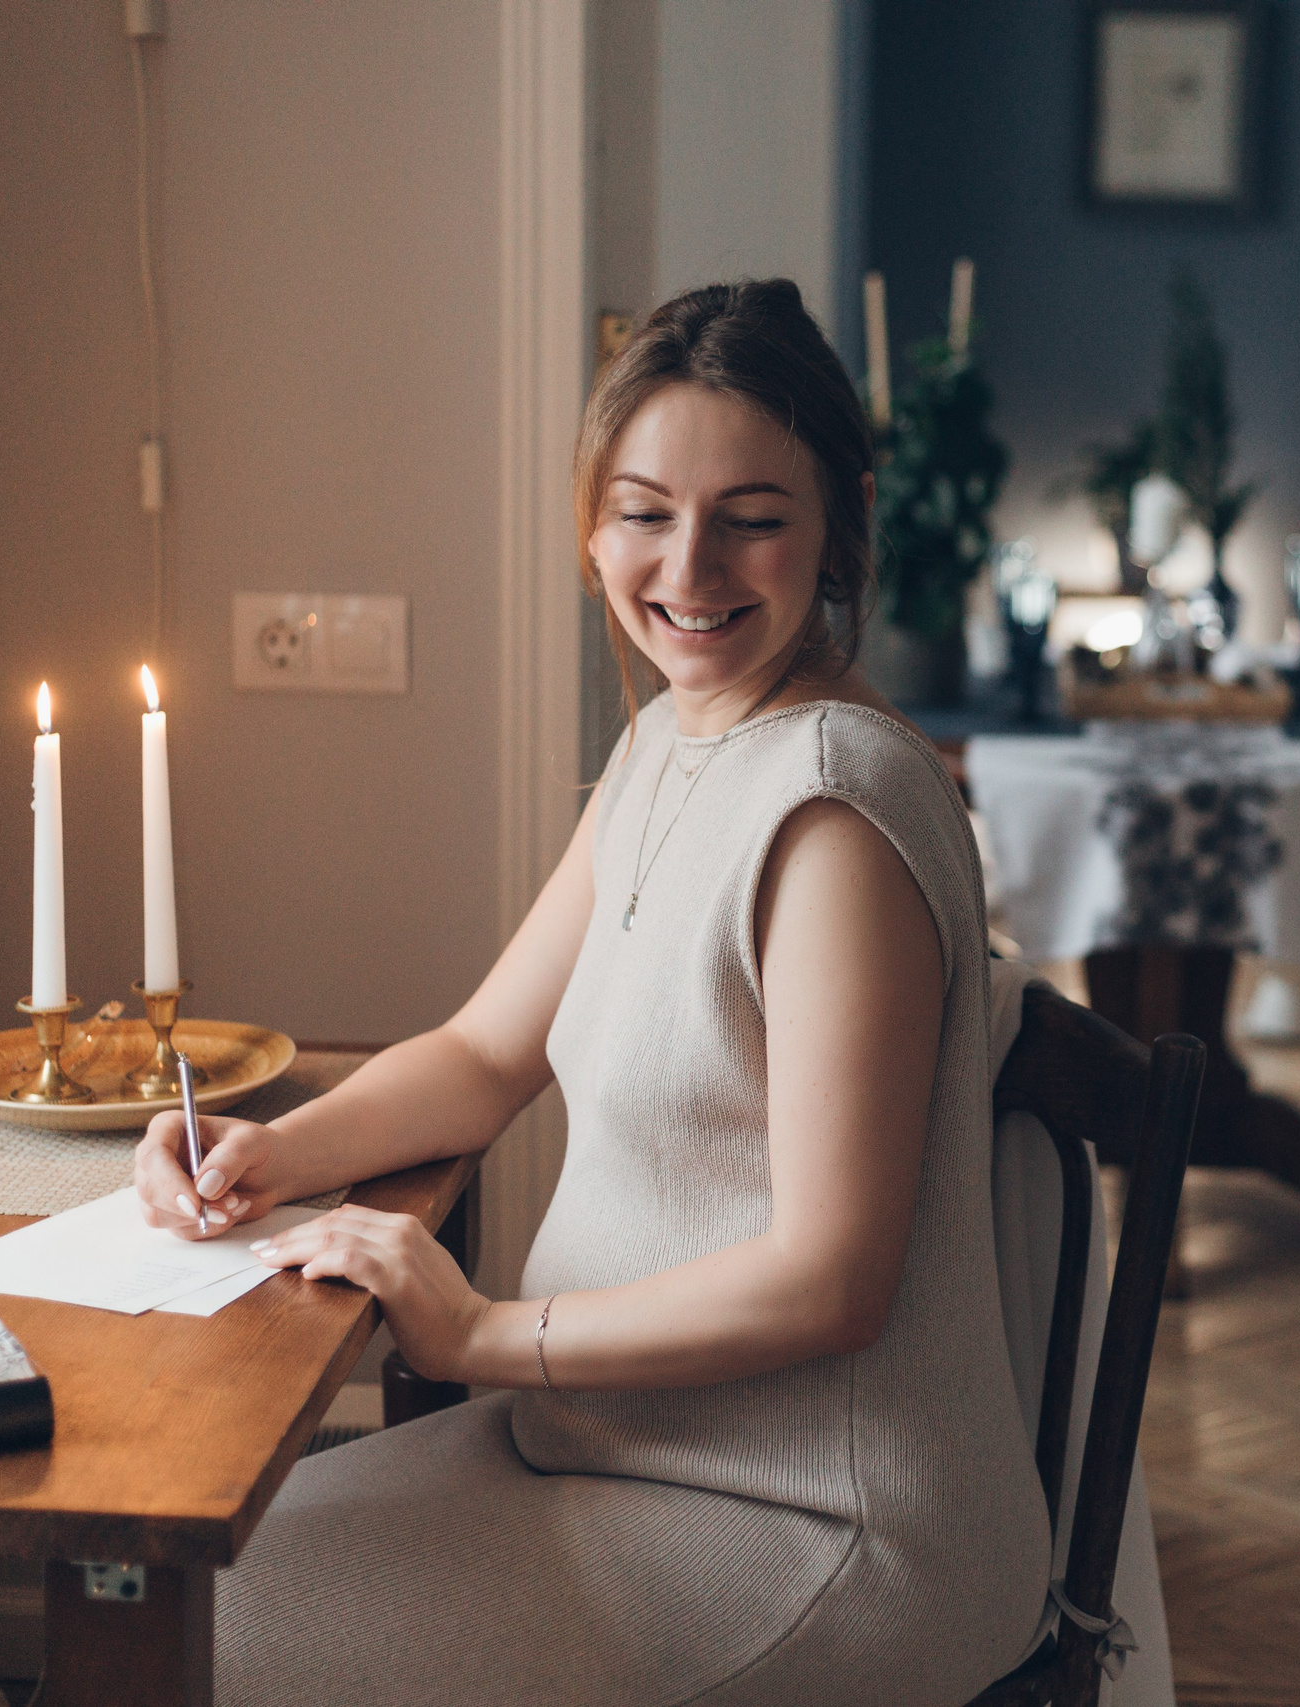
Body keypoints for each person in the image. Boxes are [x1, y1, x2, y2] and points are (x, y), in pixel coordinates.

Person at [133, 278, 1050, 1705]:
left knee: (199, 1656)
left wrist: (485, 1334)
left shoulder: (836, 811)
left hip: (819, 1531)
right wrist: (265, 1149)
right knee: (172, 1608)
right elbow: (484, 1053)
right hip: (596, 1450)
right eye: (643, 511)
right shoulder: (673, 743)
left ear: (839, 517)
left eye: (752, 514)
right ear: (591, 521)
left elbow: (836, 1277)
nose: (691, 566)